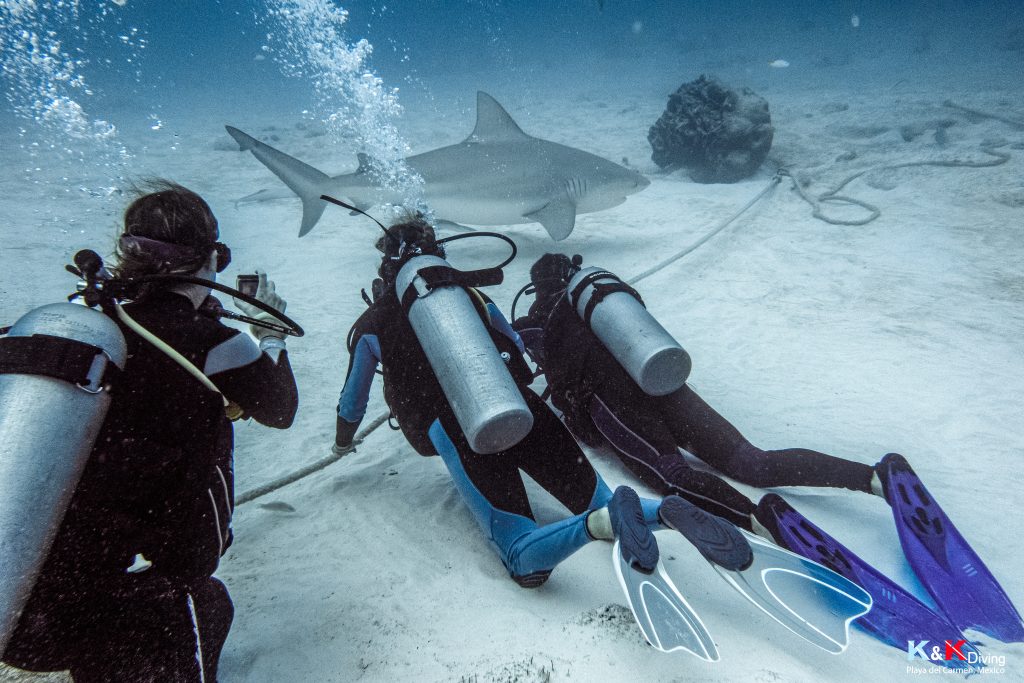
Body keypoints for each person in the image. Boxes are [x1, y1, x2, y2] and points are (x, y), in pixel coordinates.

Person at [2, 181, 298, 682]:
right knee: (206, 601)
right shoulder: (215, 343)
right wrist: (269, 335)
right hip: (77, 616)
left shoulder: (85, 325)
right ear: (210, 259)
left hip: (18, 599)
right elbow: (280, 409)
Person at [333, 216, 677, 588]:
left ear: (387, 267)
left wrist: (342, 442)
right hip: (519, 405)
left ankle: (597, 527)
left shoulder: (372, 324)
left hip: (458, 431)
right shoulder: (469, 295)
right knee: (601, 498)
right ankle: (674, 511)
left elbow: (353, 403)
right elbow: (514, 345)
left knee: (520, 553)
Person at [512, 253, 880, 533]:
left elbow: (536, 365)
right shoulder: (604, 295)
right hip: (660, 380)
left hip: (612, 399)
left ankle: (757, 520)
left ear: (536, 289)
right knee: (752, 461)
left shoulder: (534, 324)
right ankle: (874, 477)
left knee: (672, 475)